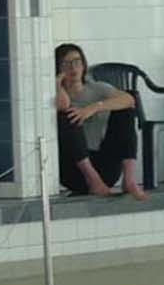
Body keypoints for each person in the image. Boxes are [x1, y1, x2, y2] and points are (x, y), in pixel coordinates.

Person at [55, 42, 148, 200]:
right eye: (66, 63)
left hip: (105, 168)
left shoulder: (97, 88)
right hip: (74, 171)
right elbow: (63, 105)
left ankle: (129, 179)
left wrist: (93, 108)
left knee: (125, 111)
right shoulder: (54, 94)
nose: (73, 67)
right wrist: (57, 85)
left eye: (77, 62)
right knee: (67, 115)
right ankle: (94, 181)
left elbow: (129, 99)